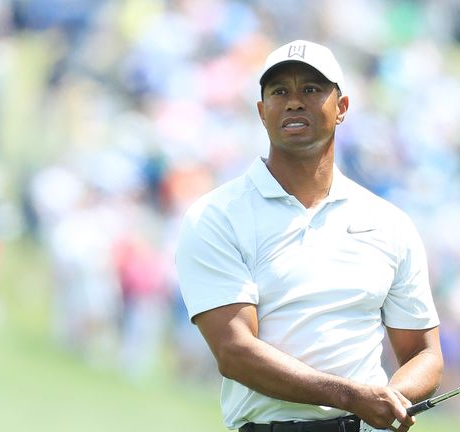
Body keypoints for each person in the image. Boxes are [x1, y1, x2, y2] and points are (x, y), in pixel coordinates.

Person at [176, 40, 443, 432]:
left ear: (343, 108)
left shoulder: (389, 223)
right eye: (280, 91)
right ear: (261, 112)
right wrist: (352, 396)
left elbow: (423, 352)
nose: (295, 102)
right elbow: (235, 352)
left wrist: (391, 399)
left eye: (312, 90)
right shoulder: (217, 217)